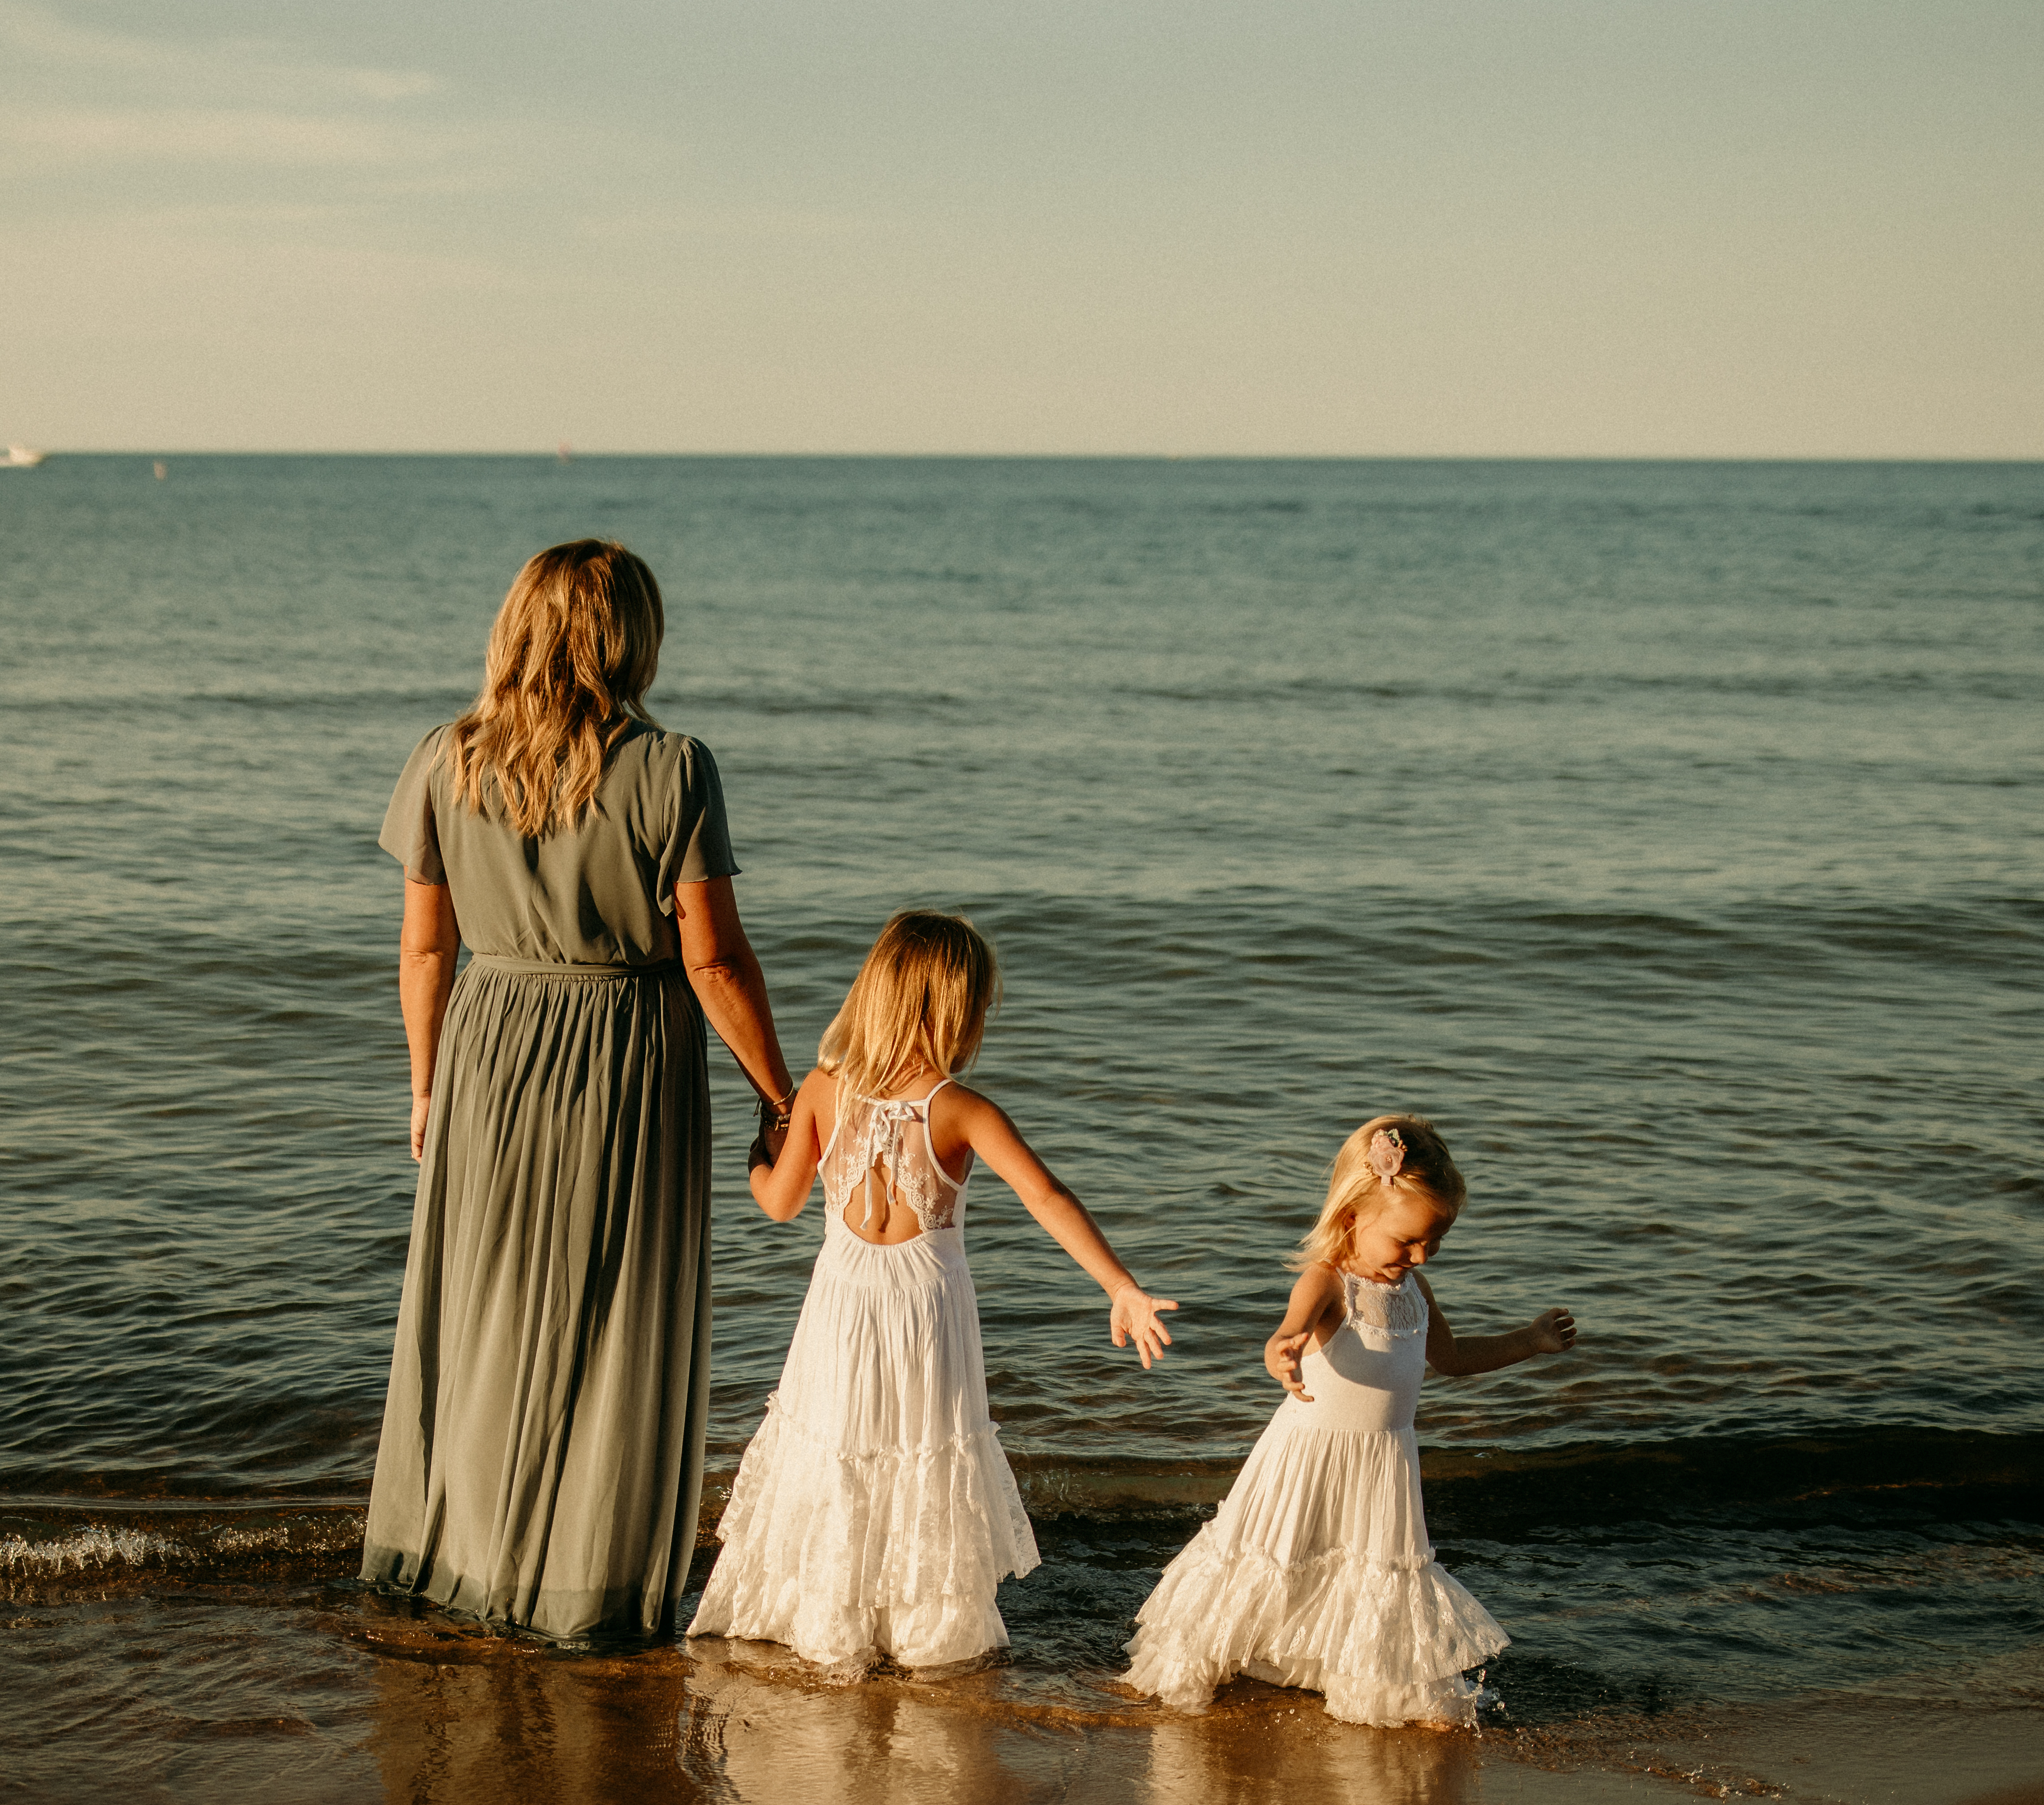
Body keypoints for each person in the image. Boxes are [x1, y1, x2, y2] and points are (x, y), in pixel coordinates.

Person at [363, 539, 793, 1642]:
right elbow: (714, 962)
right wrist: (782, 1094)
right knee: (613, 1314)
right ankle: (581, 1587)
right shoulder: (672, 766)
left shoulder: (444, 758)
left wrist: (423, 1087)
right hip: (627, 1049)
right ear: (629, 636)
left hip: (489, 1047)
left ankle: (454, 1559)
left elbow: (424, 952)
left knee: (484, 1308)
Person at [688, 909, 1175, 1675]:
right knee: (920, 1448)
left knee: (841, 1442)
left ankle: (828, 1619)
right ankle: (921, 1632)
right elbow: (1046, 1196)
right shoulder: (960, 1109)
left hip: (843, 1307)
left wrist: (763, 1147)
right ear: (956, 1009)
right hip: (923, 1310)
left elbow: (778, 1203)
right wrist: (1120, 1287)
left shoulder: (824, 1090)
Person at [1123, 1115, 1578, 1727]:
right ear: (1350, 1219)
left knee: (1368, 1572)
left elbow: (1450, 1359)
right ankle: (1211, 1661)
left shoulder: (1416, 1290)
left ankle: (1377, 1687)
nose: (1418, 1257)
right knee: (1276, 1556)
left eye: (1432, 1244)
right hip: (1308, 1456)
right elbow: (1287, 1331)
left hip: (1382, 1465)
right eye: (1406, 1242)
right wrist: (1281, 1351)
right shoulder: (1329, 1282)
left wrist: (1528, 1341)